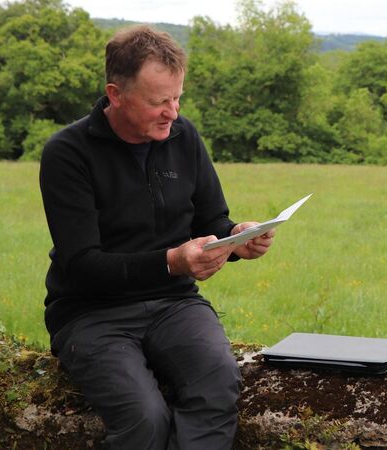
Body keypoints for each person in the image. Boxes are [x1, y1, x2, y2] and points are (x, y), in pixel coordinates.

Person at [39, 25, 274, 449]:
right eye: (158, 101)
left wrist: (237, 239)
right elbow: (82, 263)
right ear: (116, 94)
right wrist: (171, 262)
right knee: (145, 418)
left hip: (174, 304)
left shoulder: (185, 138)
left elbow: (212, 220)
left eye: (177, 97)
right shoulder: (67, 153)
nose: (173, 111)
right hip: (91, 314)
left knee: (218, 386)